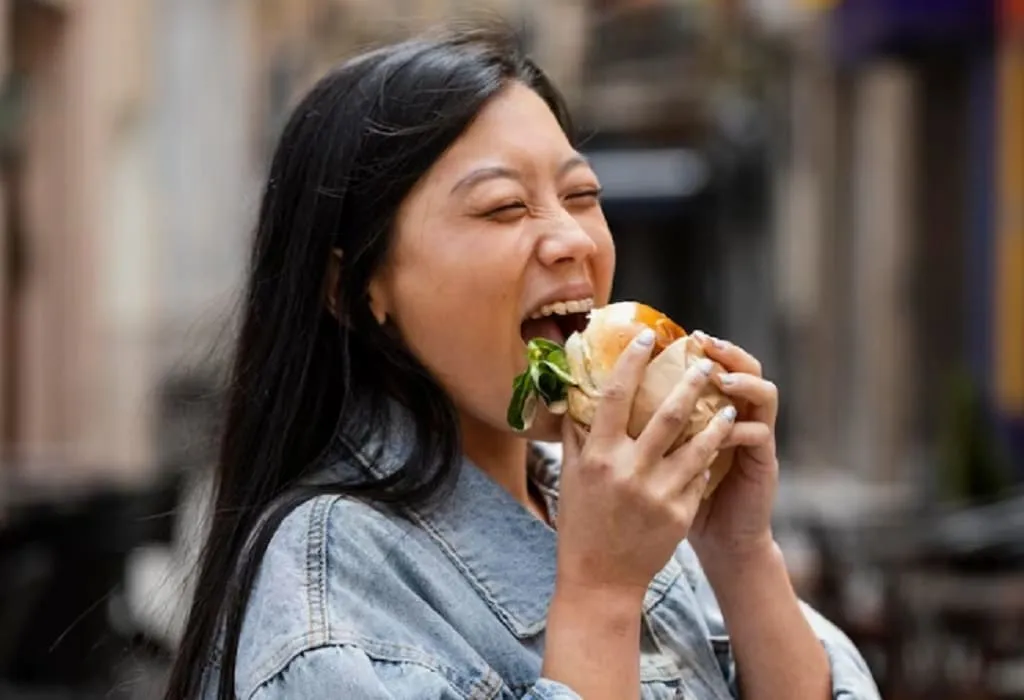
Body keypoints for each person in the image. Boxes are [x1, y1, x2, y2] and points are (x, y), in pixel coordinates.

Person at [164, 22, 881, 700]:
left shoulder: (611, 504)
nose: (570, 238)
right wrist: (600, 593)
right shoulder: (331, 582)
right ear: (352, 289)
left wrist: (739, 550)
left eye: (581, 195)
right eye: (504, 207)